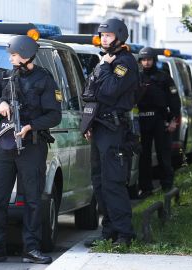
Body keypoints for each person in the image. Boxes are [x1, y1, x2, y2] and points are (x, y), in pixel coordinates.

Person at [0, 35, 61, 264]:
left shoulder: (44, 79)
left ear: (25, 54)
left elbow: (54, 115)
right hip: (5, 146)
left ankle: (31, 248)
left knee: (33, 200)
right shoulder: (5, 77)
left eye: (13, 55)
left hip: (31, 145)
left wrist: (31, 126)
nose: (11, 59)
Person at [81, 18, 139, 247]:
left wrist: (104, 68)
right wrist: (89, 124)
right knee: (99, 182)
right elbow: (88, 91)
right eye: (102, 34)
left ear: (119, 36)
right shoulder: (104, 60)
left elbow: (107, 92)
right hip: (100, 127)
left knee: (113, 182)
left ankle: (125, 234)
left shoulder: (124, 62)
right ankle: (109, 231)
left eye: (109, 35)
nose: (104, 38)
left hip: (114, 129)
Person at [137, 47, 181, 198]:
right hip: (142, 119)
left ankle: (167, 186)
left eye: (149, 59)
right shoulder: (137, 78)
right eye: (143, 59)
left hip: (159, 119)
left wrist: (173, 120)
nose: (146, 62)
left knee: (164, 153)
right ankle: (146, 188)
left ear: (154, 60)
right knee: (144, 156)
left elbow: (174, 101)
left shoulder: (164, 78)